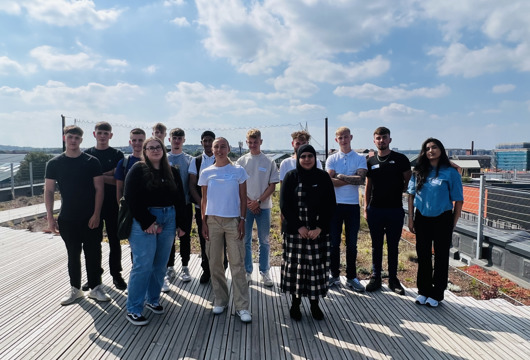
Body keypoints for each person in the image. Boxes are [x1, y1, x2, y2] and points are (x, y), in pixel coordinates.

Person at [44, 125, 110, 305]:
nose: (73, 140)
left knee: (93, 253)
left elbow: (99, 189)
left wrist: (96, 214)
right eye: (70, 137)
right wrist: (50, 217)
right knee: (73, 254)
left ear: (81, 140)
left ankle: (96, 288)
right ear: (65, 138)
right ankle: (75, 289)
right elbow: (49, 191)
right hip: (67, 217)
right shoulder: (54, 163)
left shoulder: (91, 161)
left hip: (90, 216)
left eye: (77, 138)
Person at [124, 137, 186, 325]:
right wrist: (147, 222)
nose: (155, 150)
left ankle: (152, 299)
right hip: (145, 219)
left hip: (169, 218)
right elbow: (130, 198)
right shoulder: (138, 170)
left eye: (158, 147)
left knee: (160, 264)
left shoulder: (172, 172)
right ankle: (133, 308)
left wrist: (182, 224)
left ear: (163, 150)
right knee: (143, 265)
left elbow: (180, 199)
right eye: (150, 148)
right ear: (145, 151)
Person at [199, 137, 252, 323]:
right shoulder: (206, 172)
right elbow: (203, 200)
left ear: (229, 149)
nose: (219, 150)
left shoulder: (238, 170)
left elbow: (243, 197)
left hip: (233, 221)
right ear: (211, 150)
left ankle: (242, 306)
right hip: (212, 221)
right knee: (215, 263)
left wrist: (242, 220)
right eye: (216, 147)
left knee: (237, 264)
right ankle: (221, 300)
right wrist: (203, 222)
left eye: (223, 146)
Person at [280, 144, 335, 321]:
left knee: (316, 270)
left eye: (310, 156)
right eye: (303, 156)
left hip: (317, 233)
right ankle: (295, 304)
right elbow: (285, 205)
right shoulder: (291, 177)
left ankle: (314, 305)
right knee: (297, 269)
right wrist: (299, 227)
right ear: (298, 158)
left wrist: (319, 227)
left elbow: (330, 205)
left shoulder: (323, 177)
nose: (306, 159)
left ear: (315, 158)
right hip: (296, 233)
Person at [407, 138, 464, 308]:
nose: (431, 151)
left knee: (441, 256)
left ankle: (437, 293)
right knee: (423, 255)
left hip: (443, 218)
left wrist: (453, 222)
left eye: (434, 147)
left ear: (441, 150)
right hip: (422, 218)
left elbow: (458, 200)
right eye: (427, 148)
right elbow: (410, 195)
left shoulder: (451, 172)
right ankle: (423, 291)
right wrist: (410, 217)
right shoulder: (418, 171)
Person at [364, 127, 411, 295]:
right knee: (376, 245)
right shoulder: (370, 161)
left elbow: (408, 179)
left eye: (384, 137)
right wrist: (365, 207)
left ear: (390, 139)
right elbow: (368, 186)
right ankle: (375, 277)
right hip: (375, 209)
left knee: (393, 245)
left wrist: (399, 190)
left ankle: (393, 279)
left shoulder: (400, 159)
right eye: (378, 138)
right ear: (374, 140)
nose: (381, 140)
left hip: (394, 210)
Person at [84, 121, 126, 291]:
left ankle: (116, 274)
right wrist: (107, 175)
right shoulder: (87, 154)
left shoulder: (117, 155)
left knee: (114, 241)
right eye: (99, 133)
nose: (102, 136)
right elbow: (86, 179)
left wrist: (97, 176)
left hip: (112, 204)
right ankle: (95, 275)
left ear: (111, 135)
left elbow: (118, 179)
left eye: (105, 133)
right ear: (94, 134)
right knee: (93, 242)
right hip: (93, 206)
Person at [326, 127, 367, 291]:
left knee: (352, 244)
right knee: (334, 243)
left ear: (351, 137)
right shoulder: (332, 158)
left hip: (352, 206)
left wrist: (340, 176)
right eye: (340, 138)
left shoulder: (359, 158)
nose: (343, 140)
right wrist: (351, 178)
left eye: (346, 137)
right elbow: (329, 181)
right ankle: (334, 276)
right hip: (335, 205)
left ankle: (351, 277)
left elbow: (361, 179)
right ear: (336, 140)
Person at [235, 129, 279, 286]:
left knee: (265, 241)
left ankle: (264, 272)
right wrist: (249, 202)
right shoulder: (241, 162)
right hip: (245, 207)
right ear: (247, 142)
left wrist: (258, 201)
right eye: (250, 142)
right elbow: (238, 184)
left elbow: (272, 185)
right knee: (245, 240)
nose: (253, 145)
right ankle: (248, 271)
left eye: (256, 142)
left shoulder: (269, 162)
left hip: (264, 207)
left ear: (261, 142)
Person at [189, 130, 227, 284]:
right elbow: (192, 185)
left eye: (210, 140)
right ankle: (206, 270)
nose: (207, 143)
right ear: (201, 142)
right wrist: (201, 203)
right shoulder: (196, 161)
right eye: (204, 140)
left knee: (222, 240)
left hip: (220, 210)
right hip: (201, 209)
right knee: (204, 239)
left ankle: (222, 270)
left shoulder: (222, 160)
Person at [163, 128, 194, 291]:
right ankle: (170, 267)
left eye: (179, 138)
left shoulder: (189, 159)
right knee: (169, 238)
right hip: (168, 206)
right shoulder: (163, 159)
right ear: (169, 139)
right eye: (174, 137)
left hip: (186, 205)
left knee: (185, 236)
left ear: (184, 140)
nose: (176, 140)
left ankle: (185, 266)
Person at [115, 128, 146, 203]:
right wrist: (121, 207)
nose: (137, 143)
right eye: (134, 140)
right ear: (130, 142)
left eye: (140, 140)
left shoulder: (152, 161)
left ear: (145, 142)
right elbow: (119, 189)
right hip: (130, 206)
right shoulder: (124, 163)